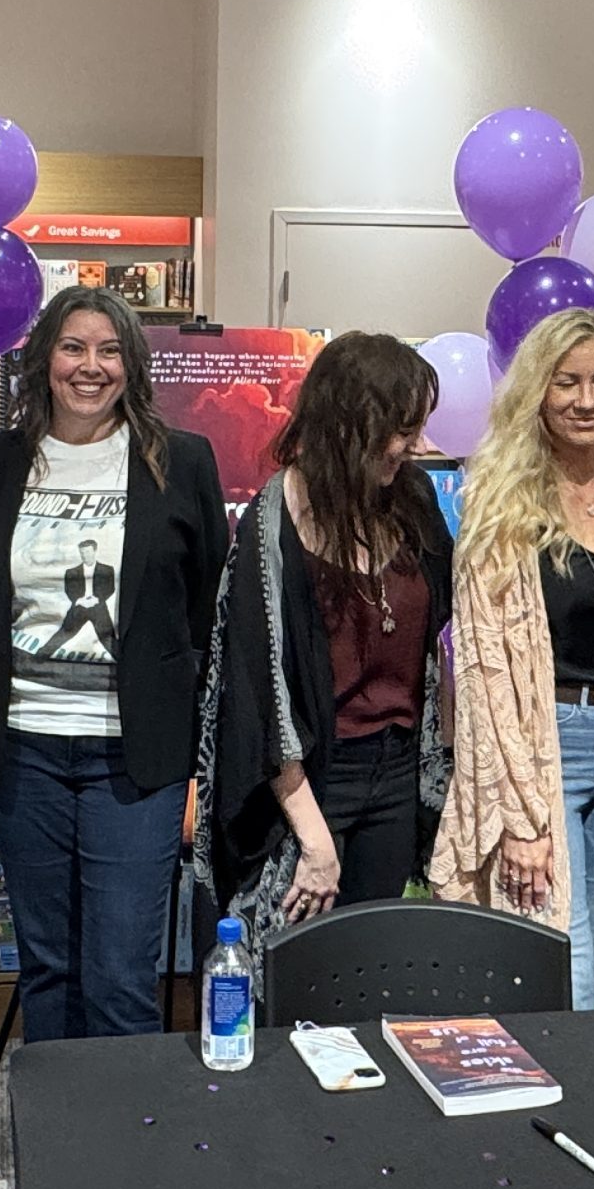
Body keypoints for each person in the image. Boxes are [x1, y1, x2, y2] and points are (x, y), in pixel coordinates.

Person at [0, 286, 228, 1042]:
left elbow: (208, 611)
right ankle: (59, 1149)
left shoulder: (182, 461)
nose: (90, 366)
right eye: (74, 348)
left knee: (119, 976)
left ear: (132, 366)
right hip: (24, 753)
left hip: (135, 762)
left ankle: (128, 1152)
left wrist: (201, 767)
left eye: (109, 351)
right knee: (48, 967)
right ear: (43, 358)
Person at [430, 309, 594, 1010]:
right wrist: (522, 816)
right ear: (537, 389)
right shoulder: (500, 496)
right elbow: (482, 668)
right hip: (545, 750)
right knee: (564, 957)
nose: (585, 401)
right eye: (567, 383)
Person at [198, 332, 451, 955]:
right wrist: (314, 839)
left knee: (374, 969)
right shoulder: (275, 519)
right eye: (397, 427)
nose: (411, 445)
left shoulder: (413, 500)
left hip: (397, 772)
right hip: (310, 782)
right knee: (298, 976)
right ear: (347, 420)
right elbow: (260, 698)